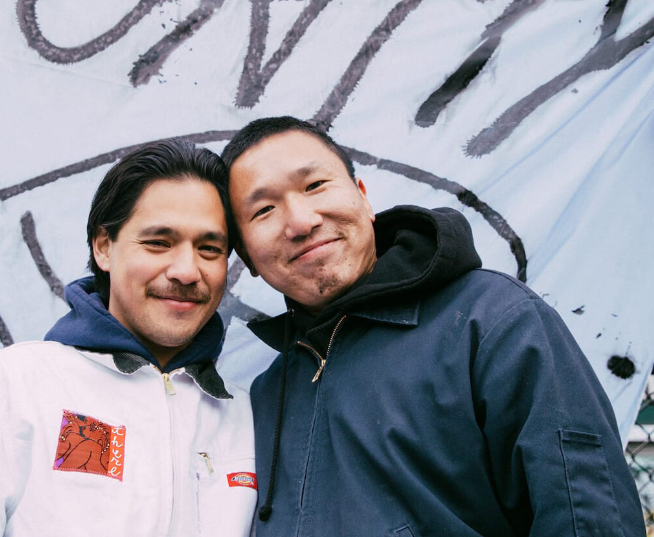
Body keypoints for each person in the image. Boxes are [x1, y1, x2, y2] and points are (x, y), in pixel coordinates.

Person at [222, 116, 646, 537]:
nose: (300, 221)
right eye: (264, 210)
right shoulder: (265, 396)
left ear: (364, 198)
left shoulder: (494, 321)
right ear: (246, 257)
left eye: (315, 185)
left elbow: (587, 517)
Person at [0, 140, 258, 537]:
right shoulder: (19, 382)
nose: (187, 271)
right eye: (158, 243)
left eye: (210, 248)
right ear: (104, 247)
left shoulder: (248, 415)